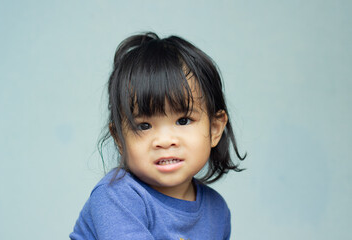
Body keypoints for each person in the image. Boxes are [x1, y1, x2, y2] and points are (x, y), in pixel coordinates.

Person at [70, 32, 245, 240]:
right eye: (144, 126)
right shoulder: (116, 197)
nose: (164, 141)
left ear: (215, 129)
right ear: (119, 139)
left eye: (183, 121)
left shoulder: (217, 212)